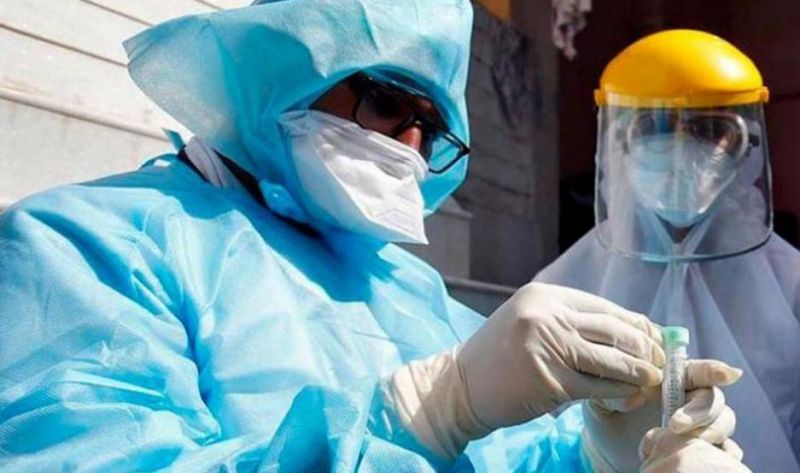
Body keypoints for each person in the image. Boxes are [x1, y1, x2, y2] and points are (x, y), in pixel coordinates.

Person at [0, 2, 744, 471]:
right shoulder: (85, 247)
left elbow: (500, 455)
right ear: (286, 67)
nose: (411, 145)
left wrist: (601, 451)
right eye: (388, 103)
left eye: (433, 130)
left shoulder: (408, 288)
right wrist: (418, 416)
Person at [536, 29, 800, 472]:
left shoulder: (791, 283)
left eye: (710, 129)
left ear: (748, 148)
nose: (681, 146)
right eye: (654, 127)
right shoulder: (563, 287)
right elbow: (526, 443)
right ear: (619, 143)